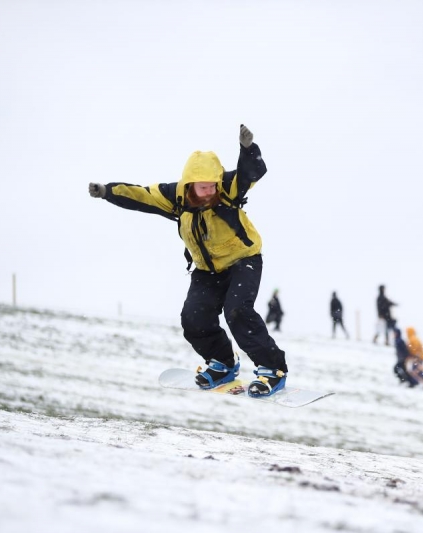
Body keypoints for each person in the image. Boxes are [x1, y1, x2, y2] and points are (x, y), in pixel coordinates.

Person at [88, 125, 288, 397]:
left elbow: (251, 172)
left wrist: (248, 149)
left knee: (237, 311)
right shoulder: (178, 197)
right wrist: (107, 192)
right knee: (193, 318)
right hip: (207, 270)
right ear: (189, 184)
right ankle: (223, 362)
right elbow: (142, 195)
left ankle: (272, 369)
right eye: (202, 187)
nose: (208, 192)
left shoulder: (228, 189)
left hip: (243, 261)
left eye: (211, 186)